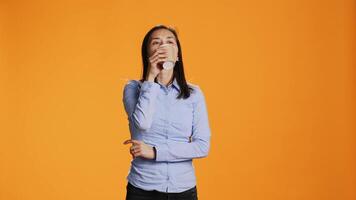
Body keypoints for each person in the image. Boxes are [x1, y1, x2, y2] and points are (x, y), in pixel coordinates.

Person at [122, 24, 211, 200]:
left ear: (177, 55)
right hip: (142, 189)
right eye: (156, 43)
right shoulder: (132, 89)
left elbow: (202, 146)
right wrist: (150, 77)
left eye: (170, 42)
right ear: (147, 54)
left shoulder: (194, 94)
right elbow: (142, 124)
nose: (163, 47)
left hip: (183, 189)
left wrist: (155, 152)